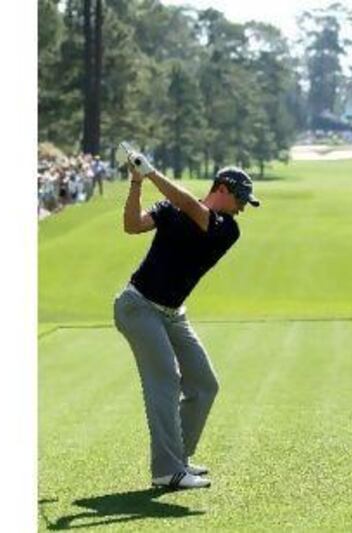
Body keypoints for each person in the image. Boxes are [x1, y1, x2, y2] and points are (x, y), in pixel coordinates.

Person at [113, 148, 260, 490]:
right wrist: (137, 181)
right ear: (222, 188)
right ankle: (167, 471)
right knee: (166, 379)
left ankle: (178, 458)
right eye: (240, 198)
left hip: (173, 315)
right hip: (138, 307)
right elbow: (132, 225)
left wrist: (151, 173)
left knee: (204, 384)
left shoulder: (227, 228)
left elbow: (194, 208)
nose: (243, 206)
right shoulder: (170, 210)